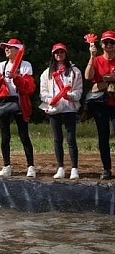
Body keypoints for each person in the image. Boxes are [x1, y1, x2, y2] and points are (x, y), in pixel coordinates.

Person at [0, 38, 36, 177]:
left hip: (19, 102)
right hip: (4, 102)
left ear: (18, 50)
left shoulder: (25, 65)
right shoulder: (1, 65)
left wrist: (16, 77)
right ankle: (6, 165)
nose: (6, 49)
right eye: (5, 47)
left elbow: (29, 87)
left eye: (10, 47)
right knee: (5, 136)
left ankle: (30, 166)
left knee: (24, 135)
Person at [39, 43, 82, 179]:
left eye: (61, 52)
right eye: (56, 52)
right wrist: (49, 99)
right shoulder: (47, 73)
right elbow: (43, 91)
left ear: (66, 53)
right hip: (54, 109)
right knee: (57, 139)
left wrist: (69, 96)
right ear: (53, 54)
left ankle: (74, 168)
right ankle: (60, 167)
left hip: (69, 108)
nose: (59, 54)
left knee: (71, 138)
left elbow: (78, 91)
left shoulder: (75, 72)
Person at [84, 30, 115, 180]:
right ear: (101, 44)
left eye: (111, 42)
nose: (108, 45)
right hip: (101, 104)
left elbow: (97, 83)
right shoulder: (96, 60)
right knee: (103, 137)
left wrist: (103, 83)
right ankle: (106, 168)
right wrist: (91, 56)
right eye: (106, 42)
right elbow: (88, 76)